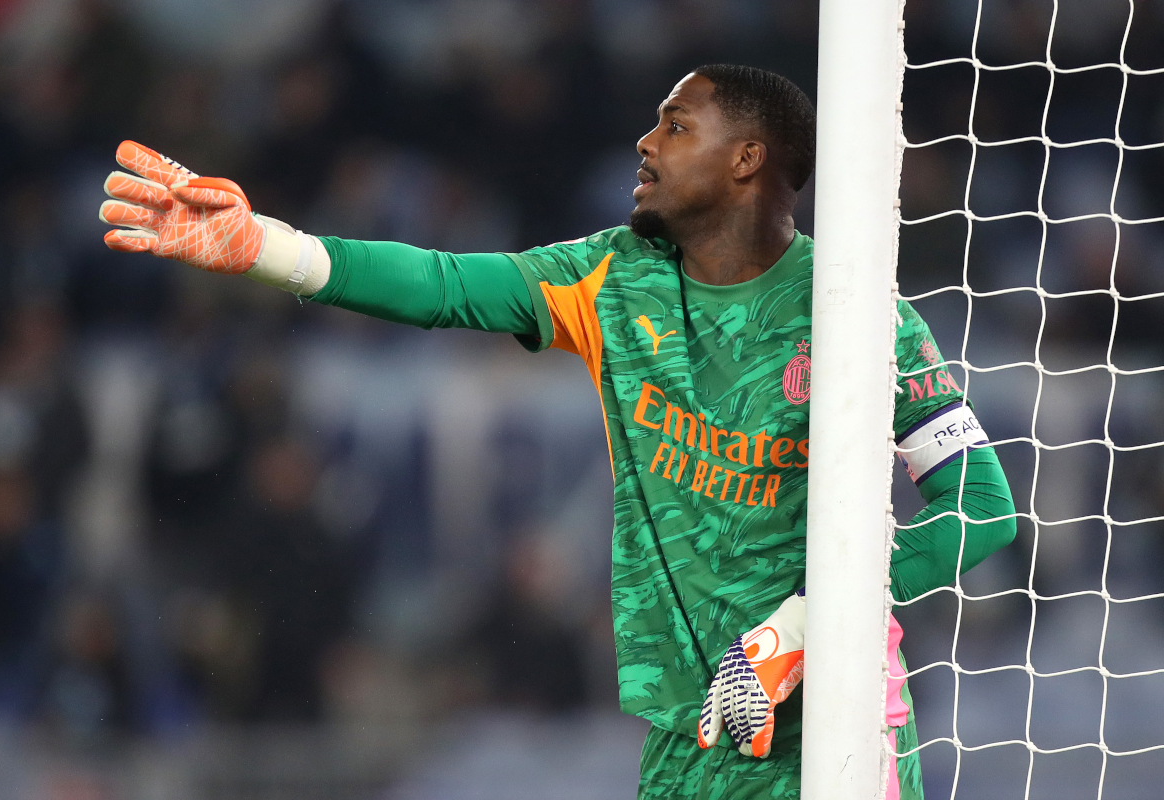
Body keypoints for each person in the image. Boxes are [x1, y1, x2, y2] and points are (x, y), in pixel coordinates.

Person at [99, 64, 1017, 800]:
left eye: (675, 125)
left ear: (747, 159)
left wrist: (805, 628)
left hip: (834, 726)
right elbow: (445, 287)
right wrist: (266, 245)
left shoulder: (854, 313)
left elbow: (982, 509)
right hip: (688, 735)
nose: (644, 141)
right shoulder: (610, 278)